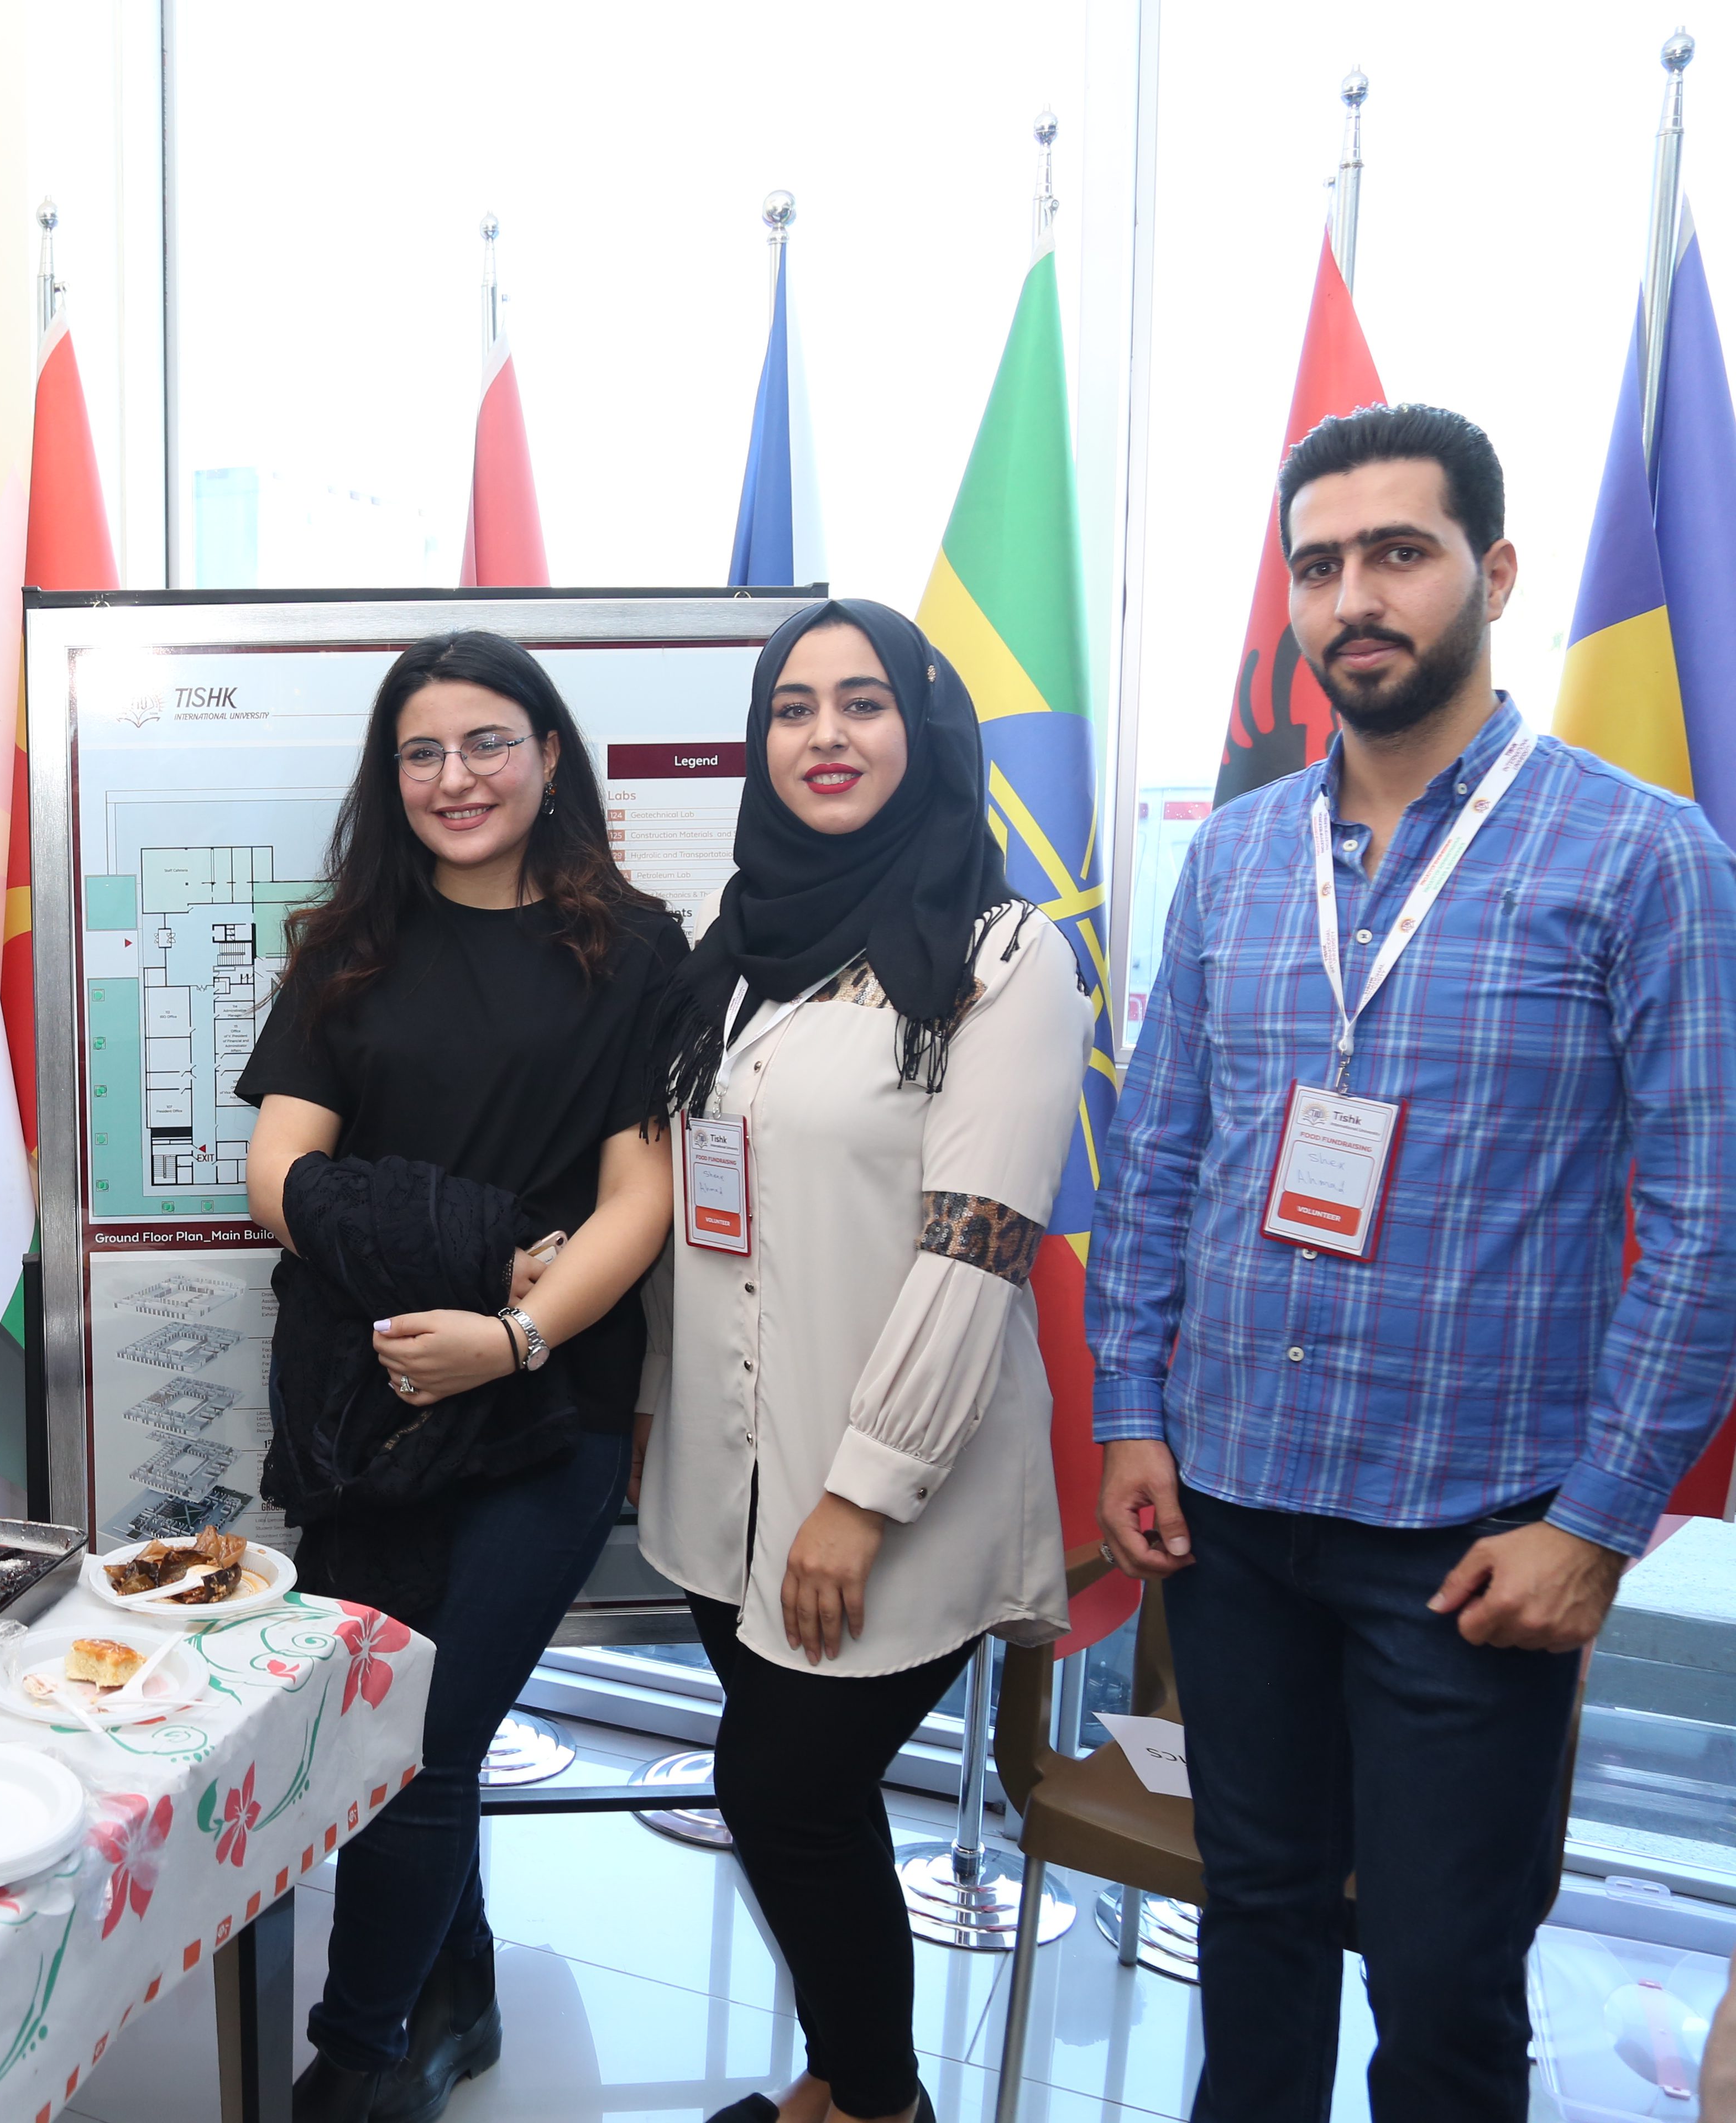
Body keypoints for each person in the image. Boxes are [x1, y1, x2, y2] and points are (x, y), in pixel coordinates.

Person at [1092, 404, 1736, 2121]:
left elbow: (1709, 1219)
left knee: (1447, 1983)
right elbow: (1158, 1155)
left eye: (1399, 554)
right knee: (1256, 1925)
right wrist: (1131, 1410)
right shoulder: (1236, 855)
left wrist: (1599, 1523)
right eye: (1319, 566)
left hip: (1472, 1540)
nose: (1354, 599)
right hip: (1230, 1506)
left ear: (1494, 573)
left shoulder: (1643, 855)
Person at [638, 600, 1084, 2123]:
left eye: (864, 703)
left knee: (783, 1792)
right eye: (794, 707)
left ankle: (884, 2104)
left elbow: (977, 1249)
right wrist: (653, 1403)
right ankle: (840, 2083)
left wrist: (863, 1494)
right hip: (728, 1478)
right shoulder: (736, 945)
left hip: (887, 1491)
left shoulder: (1002, 958)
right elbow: (699, 1211)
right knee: (807, 1812)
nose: (825, 735)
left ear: (925, 731)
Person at [237, 631, 682, 2123]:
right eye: (422, 752)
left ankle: (359, 2053)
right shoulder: (350, 947)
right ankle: (456, 1993)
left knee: (421, 1740)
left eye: (489, 741)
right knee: (390, 1725)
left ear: (550, 753)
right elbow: (277, 1176)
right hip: (368, 1406)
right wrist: (478, 1246)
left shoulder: (636, 950)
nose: (456, 777)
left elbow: (639, 1198)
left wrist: (513, 1333)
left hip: (552, 1404)